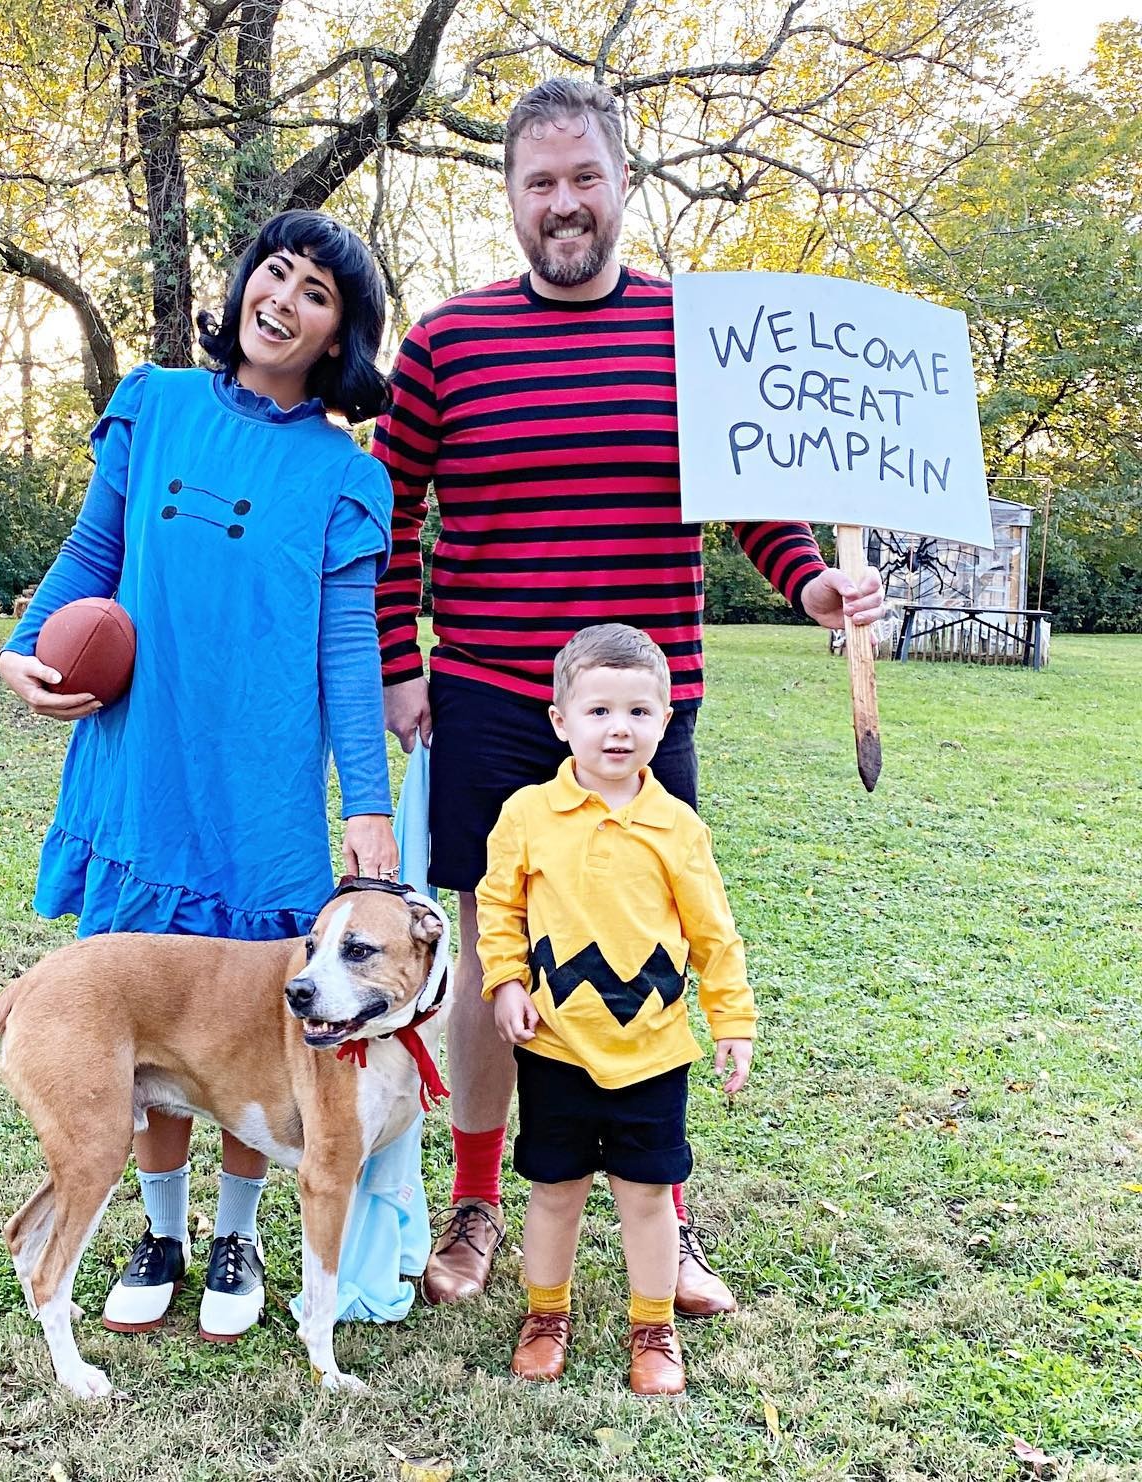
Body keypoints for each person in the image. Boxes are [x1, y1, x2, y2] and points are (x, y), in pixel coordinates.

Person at [372, 76, 885, 1314]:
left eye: (583, 178)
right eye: (538, 183)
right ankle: (480, 1200)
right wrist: (400, 661)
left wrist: (811, 583)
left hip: (650, 710)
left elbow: (759, 500)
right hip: (493, 696)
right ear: (508, 198)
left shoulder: (699, 338)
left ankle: (669, 1213)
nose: (563, 204)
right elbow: (388, 517)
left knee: (647, 944)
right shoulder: (446, 343)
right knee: (503, 950)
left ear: (622, 185)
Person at [0, 209, 399, 1344]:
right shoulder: (157, 403)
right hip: (145, 764)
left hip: (263, 791)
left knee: (250, 1026)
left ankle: (236, 1231)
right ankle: (160, 1228)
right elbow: (91, 554)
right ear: (242, 287)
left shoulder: (343, 474)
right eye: (274, 272)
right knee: (152, 1012)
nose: (285, 297)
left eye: (317, 292)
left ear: (338, 335)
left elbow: (345, 647)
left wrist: (365, 802)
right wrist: (23, 645)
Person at [477, 624, 754, 1395]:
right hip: (558, 1045)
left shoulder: (678, 827)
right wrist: (504, 981)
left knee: (647, 1196)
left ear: (666, 722)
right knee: (554, 1190)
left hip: (653, 1052)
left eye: (638, 711)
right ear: (562, 721)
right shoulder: (528, 814)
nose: (619, 728)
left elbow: (712, 933)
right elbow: (499, 911)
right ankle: (545, 1314)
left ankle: (653, 1326)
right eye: (599, 711)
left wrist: (731, 1020)